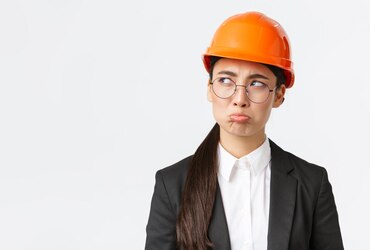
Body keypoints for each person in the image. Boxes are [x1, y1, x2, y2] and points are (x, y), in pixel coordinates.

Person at [145, 11, 344, 250]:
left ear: (279, 95)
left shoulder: (311, 184)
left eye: (257, 84)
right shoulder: (172, 185)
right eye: (225, 81)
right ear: (209, 88)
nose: (239, 99)